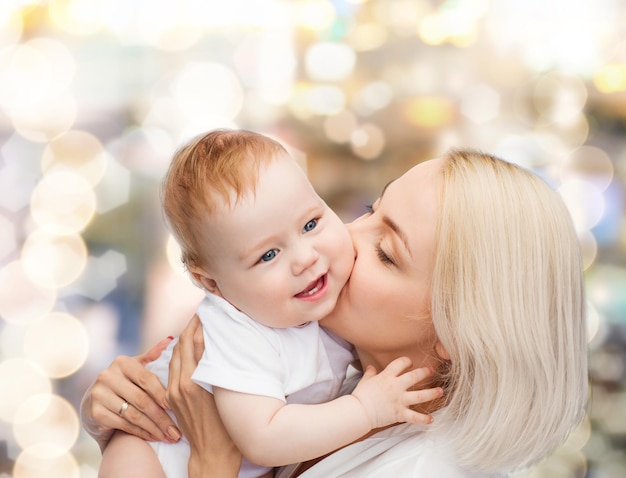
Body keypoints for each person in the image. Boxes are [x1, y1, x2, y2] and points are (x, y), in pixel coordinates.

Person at [81, 148, 588, 477]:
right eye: (370, 211)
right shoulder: (340, 374)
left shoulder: (420, 468)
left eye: (387, 252)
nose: (343, 236)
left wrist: (213, 464)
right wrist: (132, 409)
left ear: (457, 331)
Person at [96, 129, 442, 478]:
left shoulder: (317, 310)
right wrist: (365, 409)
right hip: (155, 449)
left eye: (310, 224)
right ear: (212, 283)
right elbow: (265, 437)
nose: (305, 259)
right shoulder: (237, 332)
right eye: (269, 255)